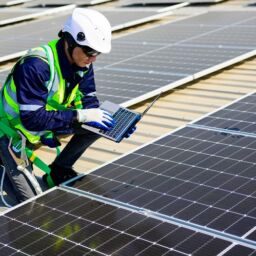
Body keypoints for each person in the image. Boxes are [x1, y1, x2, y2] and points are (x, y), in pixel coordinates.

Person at [0, 8, 127, 205]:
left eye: (98, 53)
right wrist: (80, 115)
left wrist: (114, 125)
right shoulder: (36, 65)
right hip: (12, 133)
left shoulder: (83, 63)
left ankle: (58, 170)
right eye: (90, 51)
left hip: (40, 126)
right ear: (69, 41)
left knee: (96, 125)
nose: (93, 58)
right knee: (32, 203)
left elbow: (89, 101)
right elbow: (32, 119)